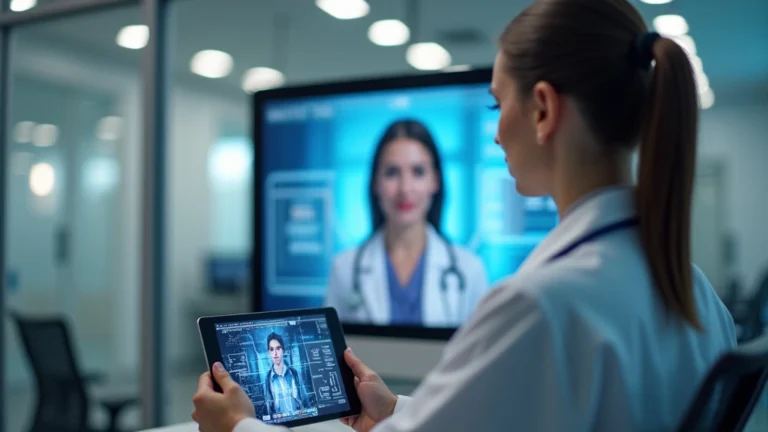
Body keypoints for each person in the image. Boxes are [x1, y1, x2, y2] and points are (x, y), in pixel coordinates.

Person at [191, 0, 737, 430]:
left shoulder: (541, 305)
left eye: (500, 105)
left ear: (543, 109)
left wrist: (239, 428)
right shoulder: (699, 297)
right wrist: (397, 411)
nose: (497, 133)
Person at [325, 119, 489, 327]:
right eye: (392, 173)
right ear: (375, 183)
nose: (405, 188)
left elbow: (480, 355)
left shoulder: (469, 270)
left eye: (418, 172)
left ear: (435, 182)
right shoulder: (344, 269)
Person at [262, 333, 307, 416]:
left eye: (278, 348)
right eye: (272, 349)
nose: (275, 353)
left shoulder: (295, 373)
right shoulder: (267, 379)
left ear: (283, 350)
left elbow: (305, 400)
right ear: (269, 352)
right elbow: (268, 407)